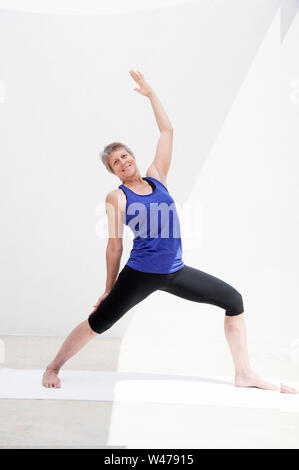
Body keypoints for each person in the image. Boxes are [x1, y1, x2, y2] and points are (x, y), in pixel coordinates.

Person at [42, 70, 297, 394]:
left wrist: (150, 95)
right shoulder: (117, 197)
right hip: (139, 274)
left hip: (175, 271)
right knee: (98, 324)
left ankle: (244, 373)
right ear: (113, 171)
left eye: (125, 156)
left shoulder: (156, 176)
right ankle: (53, 365)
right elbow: (114, 247)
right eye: (116, 162)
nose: (123, 162)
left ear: (133, 157)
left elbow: (167, 130)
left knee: (234, 300)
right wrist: (108, 288)